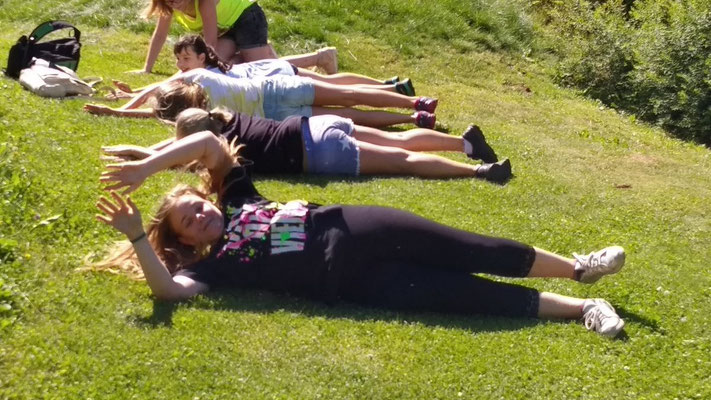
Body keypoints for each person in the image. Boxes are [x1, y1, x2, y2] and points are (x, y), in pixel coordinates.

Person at [94, 131, 628, 338]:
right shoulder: (215, 267)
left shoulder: (240, 200)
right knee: (465, 296)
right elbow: (168, 291)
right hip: (357, 283)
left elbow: (210, 143)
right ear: (188, 242)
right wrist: (139, 237)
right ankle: (583, 307)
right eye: (189, 222)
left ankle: (579, 266)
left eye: (196, 206)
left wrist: (146, 167)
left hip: (361, 225)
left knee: (473, 249)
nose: (200, 216)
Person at [102, 107, 511, 182]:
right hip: (316, 126)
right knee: (398, 139)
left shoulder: (220, 147)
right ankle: (465, 144)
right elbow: (188, 143)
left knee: (402, 160)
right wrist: (142, 149)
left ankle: (481, 171)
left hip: (318, 153)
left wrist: (143, 155)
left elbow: (185, 156)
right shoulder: (227, 118)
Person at [84, 68, 438, 128]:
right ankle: (415, 103)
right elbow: (153, 93)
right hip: (277, 89)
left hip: (275, 117)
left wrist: (117, 112)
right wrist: (122, 105)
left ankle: (415, 119)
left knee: (349, 116)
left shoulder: (194, 114)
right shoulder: (195, 76)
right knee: (348, 95)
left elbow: (154, 112)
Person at [111, 35, 415, 99]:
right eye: (178, 60)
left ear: (202, 58)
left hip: (272, 75)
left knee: (334, 87)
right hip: (269, 71)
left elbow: (163, 88)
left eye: (185, 59)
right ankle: (389, 86)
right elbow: (164, 87)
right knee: (333, 85)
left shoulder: (201, 74)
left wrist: (132, 96)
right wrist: (134, 92)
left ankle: (389, 89)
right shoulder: (209, 68)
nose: (180, 66)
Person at [140, 0, 338, 73]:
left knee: (263, 69)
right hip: (227, 30)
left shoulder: (204, 2)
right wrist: (146, 69)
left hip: (247, 17)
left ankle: (322, 57)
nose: (173, 1)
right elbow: (160, 35)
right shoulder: (168, 5)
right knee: (225, 65)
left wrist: (200, 71)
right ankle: (259, 52)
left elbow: (209, 43)